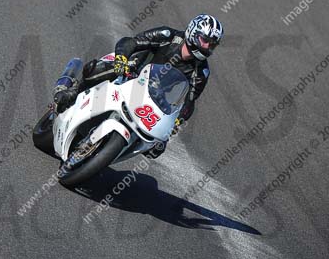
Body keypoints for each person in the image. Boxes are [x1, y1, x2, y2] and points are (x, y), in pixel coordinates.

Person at [53, 14, 224, 154]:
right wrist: (121, 58)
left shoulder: (201, 71)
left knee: (157, 145)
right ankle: (73, 92)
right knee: (96, 69)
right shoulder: (168, 36)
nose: (208, 47)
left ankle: (113, 150)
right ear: (194, 32)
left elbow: (189, 101)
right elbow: (131, 42)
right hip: (130, 71)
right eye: (205, 41)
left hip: (153, 96)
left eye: (212, 45)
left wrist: (176, 124)